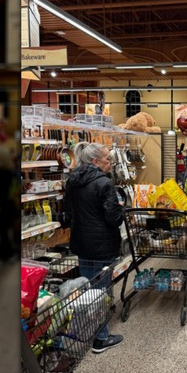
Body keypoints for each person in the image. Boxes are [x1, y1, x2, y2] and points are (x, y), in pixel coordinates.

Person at [65, 142, 124, 353]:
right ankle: (101, 338)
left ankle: (85, 332)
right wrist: (121, 210)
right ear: (95, 161)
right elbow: (113, 218)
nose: (110, 163)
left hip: (82, 242)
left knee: (86, 289)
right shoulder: (104, 183)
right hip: (102, 244)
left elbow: (68, 211)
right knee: (101, 291)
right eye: (108, 159)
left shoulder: (72, 180)